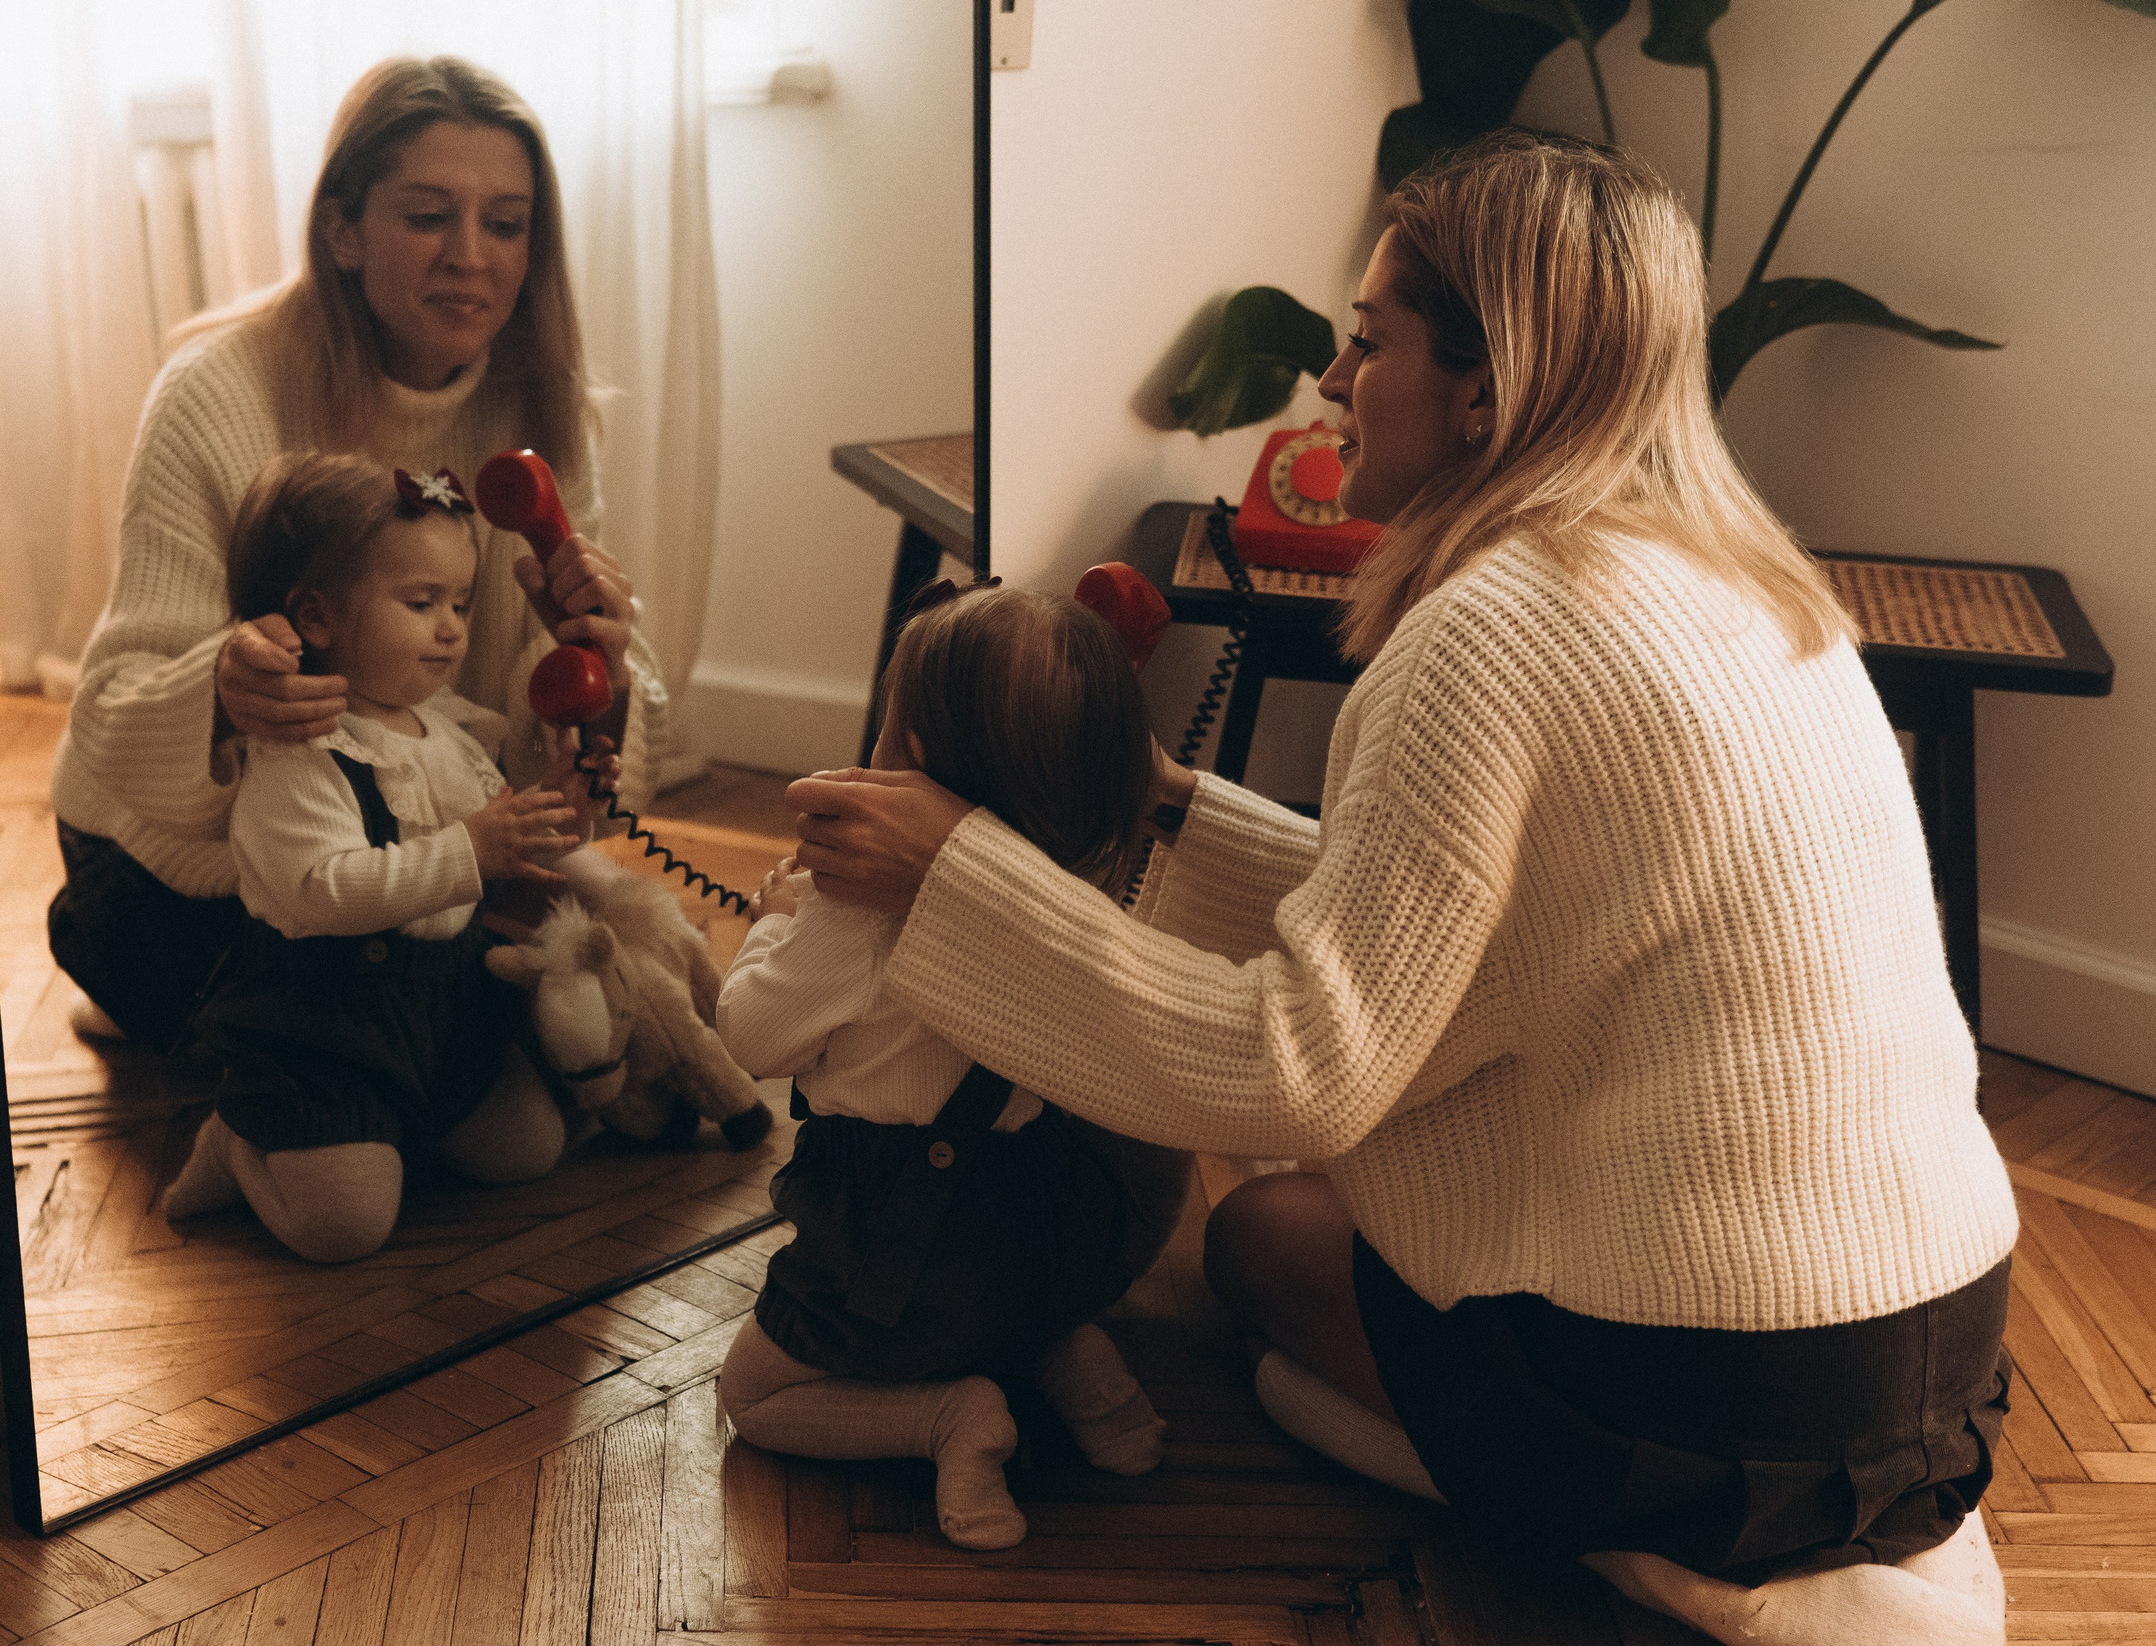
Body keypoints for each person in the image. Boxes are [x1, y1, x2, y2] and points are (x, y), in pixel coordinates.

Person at [780, 133, 2020, 1645]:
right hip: (1943, 1380)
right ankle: (1799, 1539)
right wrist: (1157, 814)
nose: (1328, 383)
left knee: (1264, 1244)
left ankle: (1692, 1563)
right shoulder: (1745, 579)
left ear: (1485, 389)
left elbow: (1293, 1065)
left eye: (1366, 345)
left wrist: (952, 869)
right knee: (1330, 1249)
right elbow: (1464, 927)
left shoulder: (1489, 629)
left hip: (1736, 1404)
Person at [48, 56, 662, 1055]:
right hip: (186, 856)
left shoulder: (543, 411)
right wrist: (224, 687)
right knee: (375, 1065)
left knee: (572, 1032)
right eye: (428, 216)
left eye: (505, 224)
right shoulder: (215, 393)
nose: (471, 254)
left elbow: (529, 764)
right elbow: (115, 706)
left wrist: (603, 679)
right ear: (343, 230)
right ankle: (105, 957)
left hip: (403, 836)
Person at [713, 584, 1192, 1551]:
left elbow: (752, 1038)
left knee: (753, 1397)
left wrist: (772, 927)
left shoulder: (854, 912)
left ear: (911, 760)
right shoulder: (1087, 884)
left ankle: (950, 1420)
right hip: (1051, 1228)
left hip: (902, 1240)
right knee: (1007, 1288)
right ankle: (1071, 1359)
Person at [160, 452, 592, 1261]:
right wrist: (471, 849)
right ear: (317, 620)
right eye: (421, 602)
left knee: (527, 1149)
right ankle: (244, 1140)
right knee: (343, 1231)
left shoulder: (451, 729)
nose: (453, 627)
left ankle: (388, 1136)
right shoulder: (299, 749)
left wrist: (562, 804)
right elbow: (326, 892)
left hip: (443, 1006)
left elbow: (507, 845)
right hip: (326, 1021)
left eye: (460, 602)